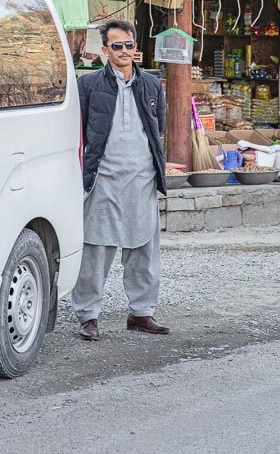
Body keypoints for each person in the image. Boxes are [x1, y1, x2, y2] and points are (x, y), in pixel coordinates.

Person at [71, 18, 169, 341]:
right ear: (104, 50)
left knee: (144, 249)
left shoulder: (152, 85)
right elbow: (78, 133)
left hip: (142, 180)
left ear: (136, 48)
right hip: (104, 179)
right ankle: (89, 316)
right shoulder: (88, 86)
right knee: (95, 249)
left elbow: (160, 127)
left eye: (129, 45)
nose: (124, 52)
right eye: (117, 46)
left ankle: (141, 313)